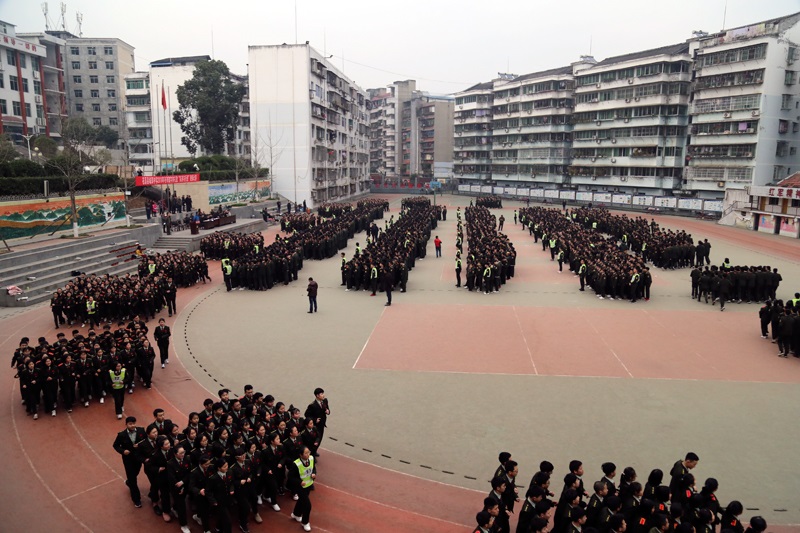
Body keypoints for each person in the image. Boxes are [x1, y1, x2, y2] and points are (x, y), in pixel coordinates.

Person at [113, 416, 147, 508]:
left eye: (134, 423)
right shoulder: (121, 435)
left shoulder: (141, 431)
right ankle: (136, 499)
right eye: (130, 424)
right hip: (128, 460)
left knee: (135, 473)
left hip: (138, 458)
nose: (132, 425)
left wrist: (139, 445)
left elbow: (145, 441)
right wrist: (123, 451)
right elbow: (116, 445)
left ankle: (129, 482)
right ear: (126, 424)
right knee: (133, 479)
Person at [289, 446, 316, 531]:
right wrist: (300, 482)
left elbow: (314, 468)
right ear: (301, 455)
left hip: (308, 485)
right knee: (308, 505)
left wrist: (314, 474)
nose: (308, 454)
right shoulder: (296, 464)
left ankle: (296, 514)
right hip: (300, 487)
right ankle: (305, 522)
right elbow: (291, 477)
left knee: (301, 501)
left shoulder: (311, 458)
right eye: (306, 453)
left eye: (309, 452)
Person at [304, 388, 329, 453]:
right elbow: (307, 415)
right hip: (315, 425)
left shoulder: (325, 401)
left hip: (322, 424)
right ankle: (312, 453)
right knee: (315, 440)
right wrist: (315, 420)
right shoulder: (312, 405)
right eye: (321, 394)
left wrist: (328, 411)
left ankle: (315, 451)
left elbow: (327, 409)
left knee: (320, 439)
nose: (323, 395)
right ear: (317, 395)